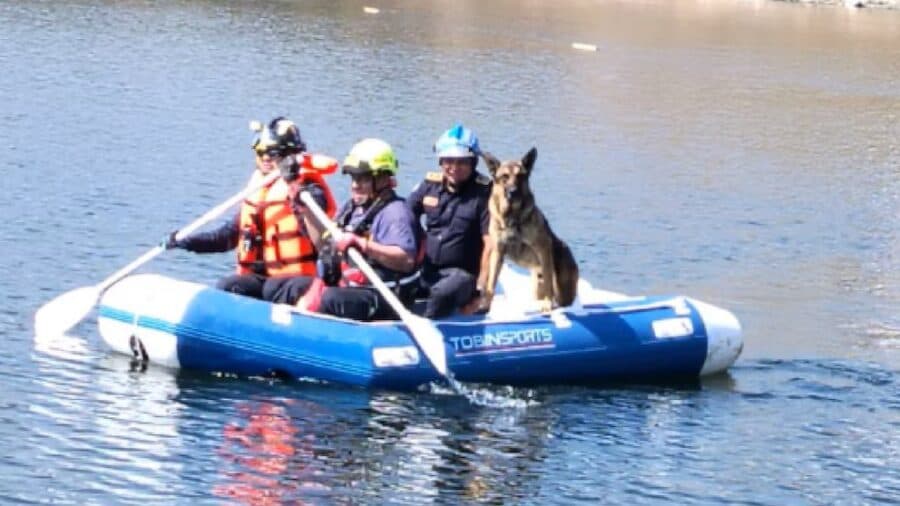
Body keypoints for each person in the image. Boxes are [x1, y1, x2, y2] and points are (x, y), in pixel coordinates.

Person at [164, 117, 337, 301]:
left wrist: (294, 186)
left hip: (298, 279)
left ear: (289, 156)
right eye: (261, 152)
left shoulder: (308, 187)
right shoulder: (258, 192)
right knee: (229, 286)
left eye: (272, 153)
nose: (265, 158)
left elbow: (318, 224)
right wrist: (186, 241)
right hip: (262, 278)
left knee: (274, 288)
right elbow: (226, 237)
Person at [302, 138, 420, 321]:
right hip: (353, 287)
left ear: (383, 179)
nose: (355, 185)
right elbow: (323, 245)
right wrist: (306, 212)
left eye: (363, 179)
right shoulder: (352, 209)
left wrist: (363, 245)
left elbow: (405, 260)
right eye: (354, 178)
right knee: (294, 286)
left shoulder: (395, 213)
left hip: (384, 296)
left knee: (330, 299)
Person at [407, 124, 492, 318]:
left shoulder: (485, 194)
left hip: (463, 276)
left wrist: (481, 292)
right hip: (427, 269)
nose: (454, 167)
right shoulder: (429, 185)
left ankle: (428, 329)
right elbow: (403, 218)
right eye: (448, 161)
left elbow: (491, 246)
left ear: (473, 162)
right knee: (399, 288)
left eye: (462, 162)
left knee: (441, 293)